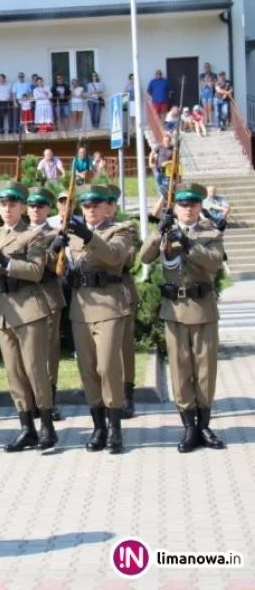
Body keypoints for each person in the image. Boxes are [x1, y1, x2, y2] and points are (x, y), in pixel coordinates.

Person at [139, 183, 226, 453]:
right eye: (183, 204)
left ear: (200, 206)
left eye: (193, 204)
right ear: (175, 207)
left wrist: (188, 243)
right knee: (180, 369)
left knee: (205, 370)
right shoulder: (166, 232)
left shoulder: (210, 232)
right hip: (174, 310)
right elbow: (144, 257)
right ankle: (189, 427)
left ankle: (204, 425)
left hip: (202, 309)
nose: (188, 209)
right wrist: (159, 230)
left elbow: (214, 262)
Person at [0, 181, 57, 452]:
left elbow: (36, 271)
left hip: (29, 309)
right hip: (4, 310)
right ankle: (27, 428)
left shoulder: (32, 235)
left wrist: (4, 261)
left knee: (35, 370)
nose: (7, 208)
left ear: (22, 206)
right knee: (14, 374)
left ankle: (47, 425)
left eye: (13, 203)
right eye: (3, 204)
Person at [57, 184, 133, 454]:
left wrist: (89, 236)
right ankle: (98, 427)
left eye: (96, 204)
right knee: (88, 369)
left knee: (108, 366)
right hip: (81, 307)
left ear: (106, 206)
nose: (90, 209)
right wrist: (57, 250)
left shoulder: (120, 230)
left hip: (109, 304)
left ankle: (115, 429)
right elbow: (65, 271)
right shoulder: (73, 235)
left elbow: (114, 257)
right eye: (86, 206)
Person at [25, 188, 65, 422]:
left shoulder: (57, 233)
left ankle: (49, 401)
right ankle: (30, 400)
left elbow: (57, 269)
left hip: (48, 297)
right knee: (27, 354)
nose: (35, 210)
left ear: (48, 209)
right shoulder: (18, 233)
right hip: (26, 299)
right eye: (31, 205)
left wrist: (56, 248)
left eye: (40, 206)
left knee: (48, 353)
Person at [106, 185, 139, 419]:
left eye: (109, 202)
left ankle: (127, 394)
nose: (105, 207)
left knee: (124, 348)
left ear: (115, 205)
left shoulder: (126, 229)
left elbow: (126, 259)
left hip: (121, 291)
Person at [149, 133, 175, 198]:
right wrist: (150, 163)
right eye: (165, 141)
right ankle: (160, 198)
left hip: (167, 170)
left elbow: (175, 160)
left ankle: (164, 198)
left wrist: (168, 162)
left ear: (170, 141)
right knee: (159, 184)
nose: (166, 142)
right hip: (157, 168)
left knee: (165, 184)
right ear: (163, 141)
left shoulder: (173, 148)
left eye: (167, 141)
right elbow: (151, 154)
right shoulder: (159, 146)